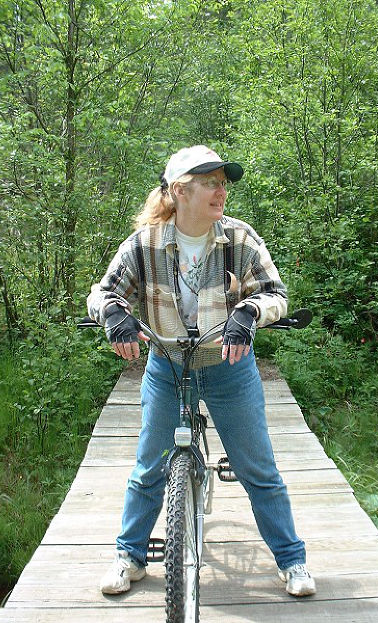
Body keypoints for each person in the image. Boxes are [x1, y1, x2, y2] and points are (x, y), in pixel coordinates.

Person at [87, 145, 316, 598]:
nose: (221, 191)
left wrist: (249, 312)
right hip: (167, 366)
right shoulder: (144, 245)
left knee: (258, 468)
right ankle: (129, 556)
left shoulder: (240, 239)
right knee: (149, 468)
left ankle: (292, 560)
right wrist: (113, 313)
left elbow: (275, 294)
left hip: (230, 368)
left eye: (223, 183)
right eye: (210, 182)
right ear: (180, 190)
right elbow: (102, 292)